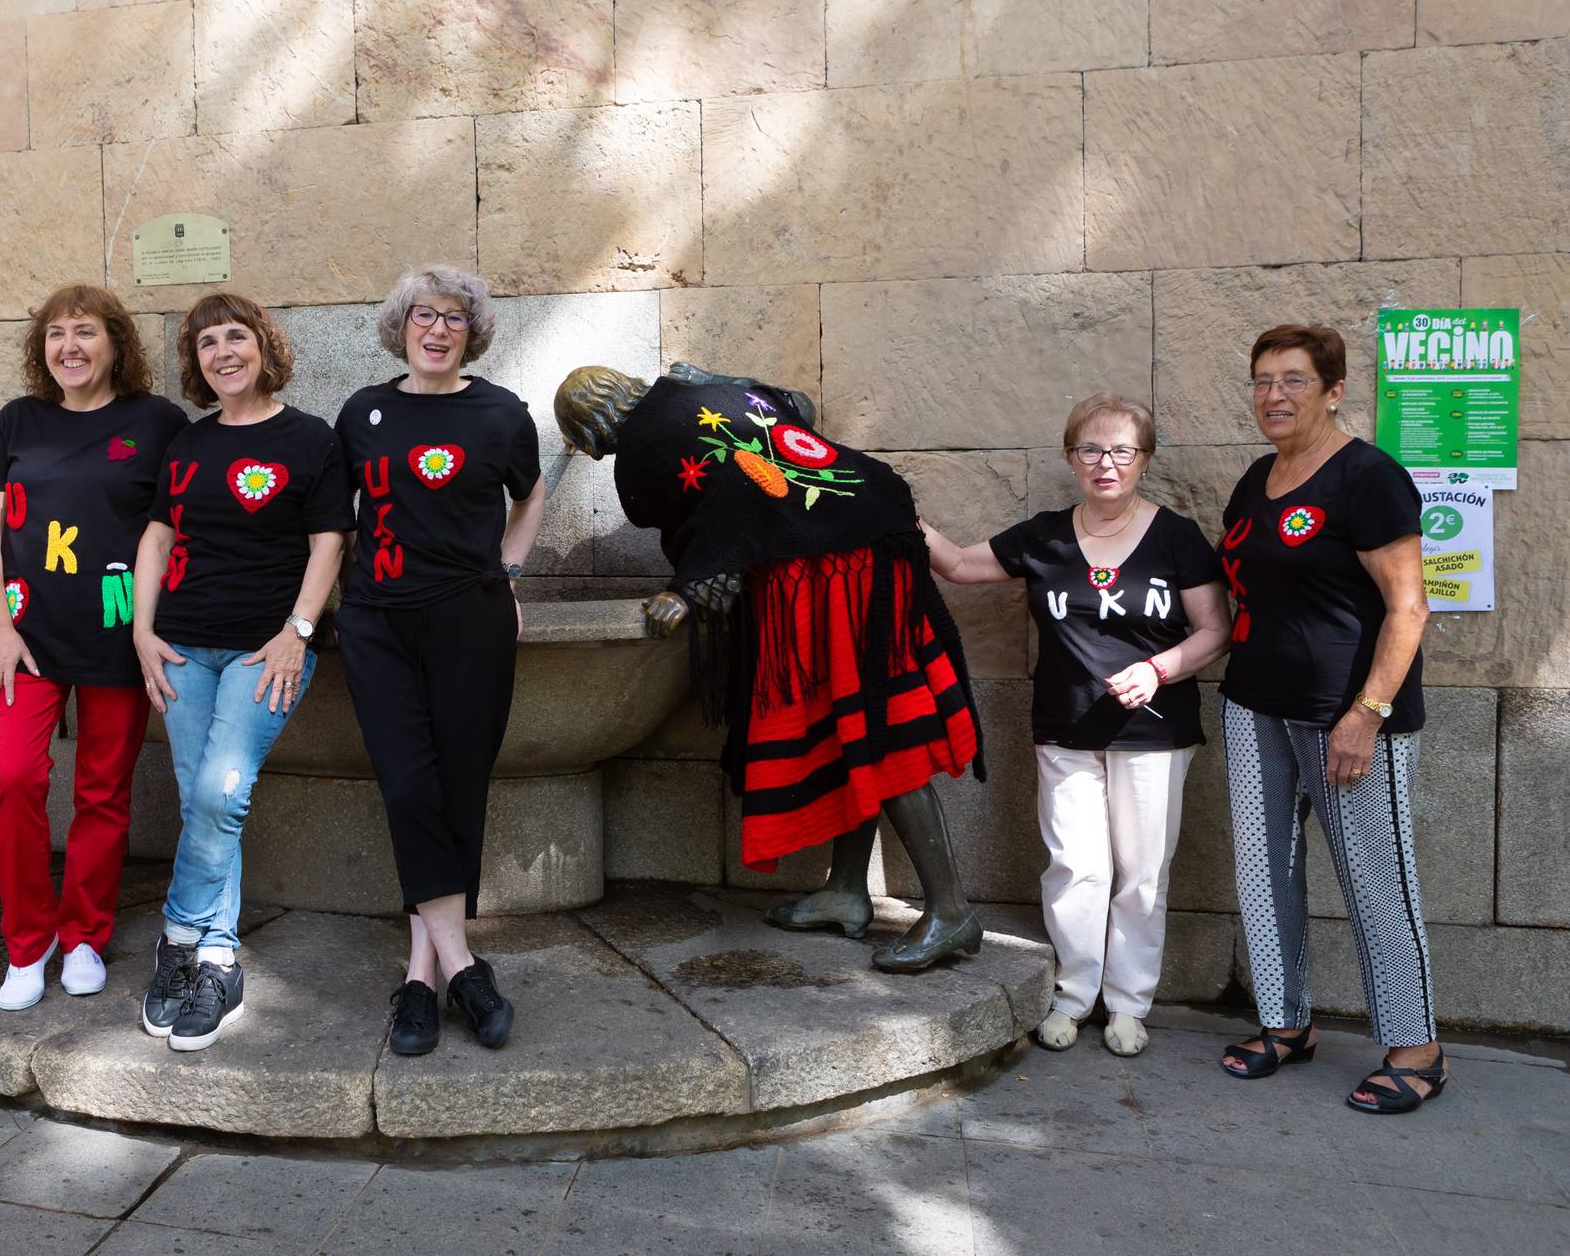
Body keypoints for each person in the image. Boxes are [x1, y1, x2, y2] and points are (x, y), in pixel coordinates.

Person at [554, 363, 985, 974]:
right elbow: (798, 411)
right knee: (851, 728)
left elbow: (708, 517)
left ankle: (951, 909)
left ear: (591, 425)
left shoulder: (641, 451)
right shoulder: (699, 386)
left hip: (832, 567)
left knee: (881, 735)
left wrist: (691, 590)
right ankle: (846, 889)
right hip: (868, 533)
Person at [922, 393, 1229, 1056]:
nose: (1105, 463)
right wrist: (889, 513)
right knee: (1074, 866)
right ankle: (1073, 993)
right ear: (1070, 457)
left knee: (1141, 870)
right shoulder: (1045, 536)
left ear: (1142, 459)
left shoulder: (1175, 537)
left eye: (1121, 450)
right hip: (1064, 728)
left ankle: (1127, 1004)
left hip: (1154, 729)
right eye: (1090, 449)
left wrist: (1159, 668)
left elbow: (1215, 630)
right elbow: (957, 565)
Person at [1216, 324, 1444, 1113]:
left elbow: (1407, 607)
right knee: (1262, 868)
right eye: (1260, 381)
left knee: (1377, 882)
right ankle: (1285, 1024)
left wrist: (1366, 714)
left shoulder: (1369, 477)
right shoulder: (1257, 476)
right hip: (1253, 707)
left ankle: (1416, 1048)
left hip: (1346, 718)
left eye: (1293, 380)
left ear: (1334, 390)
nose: (1273, 396)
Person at [335, 265, 545, 1056]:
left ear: (471, 333)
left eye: (453, 319)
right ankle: (464, 964)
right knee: (409, 783)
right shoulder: (363, 413)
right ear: (401, 326)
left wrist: (508, 570)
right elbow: (337, 522)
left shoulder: (501, 415)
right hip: (377, 622)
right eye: (423, 315)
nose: (436, 329)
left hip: (471, 621)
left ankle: (420, 975)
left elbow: (528, 496)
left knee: (459, 786)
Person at [131, 293, 349, 1052]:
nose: (222, 353)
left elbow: (329, 543)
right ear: (195, 364)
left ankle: (177, 939)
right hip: (185, 646)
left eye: (235, 338)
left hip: (267, 647)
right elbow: (157, 537)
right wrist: (141, 630)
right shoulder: (189, 446)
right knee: (201, 798)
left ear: (263, 346)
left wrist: (298, 631)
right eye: (206, 345)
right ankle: (218, 958)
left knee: (223, 790)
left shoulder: (310, 439)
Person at [0, 284, 187, 1012]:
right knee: (12, 778)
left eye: (86, 331)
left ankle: (85, 934)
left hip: (117, 633)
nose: (70, 346)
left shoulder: (156, 422)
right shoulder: (19, 422)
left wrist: (153, 626)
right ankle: (29, 941)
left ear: (115, 343)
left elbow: (173, 529)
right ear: (41, 349)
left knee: (102, 790)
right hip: (25, 635)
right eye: (57, 333)